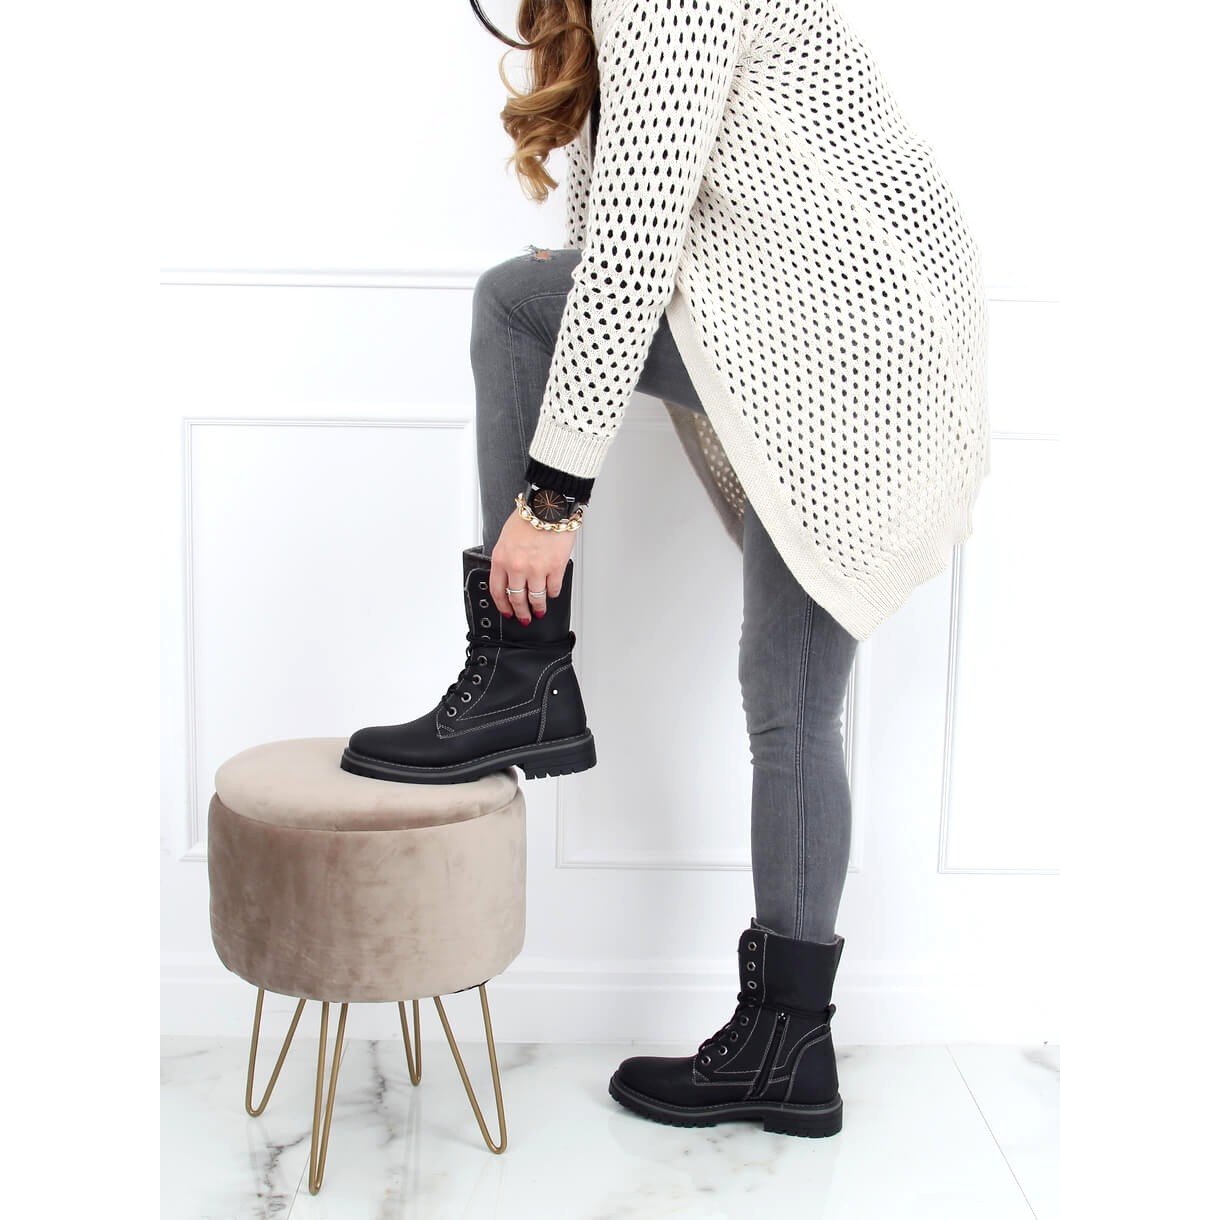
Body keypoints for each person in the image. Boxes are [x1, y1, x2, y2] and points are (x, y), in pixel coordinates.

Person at [341, 0, 987, 1139]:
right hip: (866, 336)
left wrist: (549, 503)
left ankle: (522, 676)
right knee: (791, 702)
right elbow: (629, 224)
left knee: (515, 307)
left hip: (842, 343)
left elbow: (637, 249)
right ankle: (790, 1052)